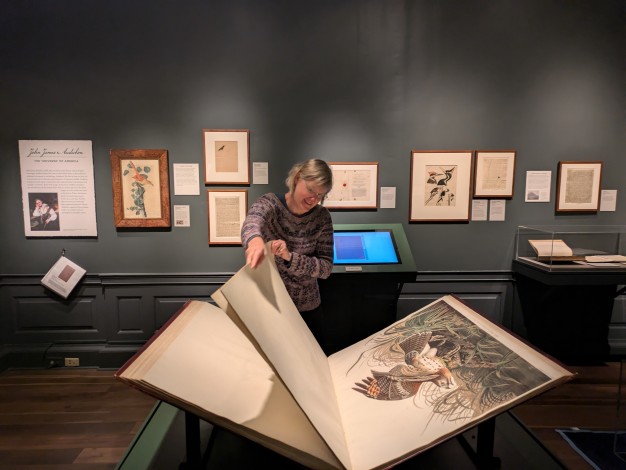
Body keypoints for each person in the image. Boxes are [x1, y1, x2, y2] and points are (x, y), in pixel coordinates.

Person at [241, 158, 334, 352]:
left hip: (308, 310)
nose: (313, 199)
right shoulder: (271, 204)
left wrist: (290, 257)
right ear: (298, 178)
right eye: (310, 190)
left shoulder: (322, 217)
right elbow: (253, 221)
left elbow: (326, 268)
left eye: (320, 195)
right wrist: (255, 241)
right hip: (271, 307)